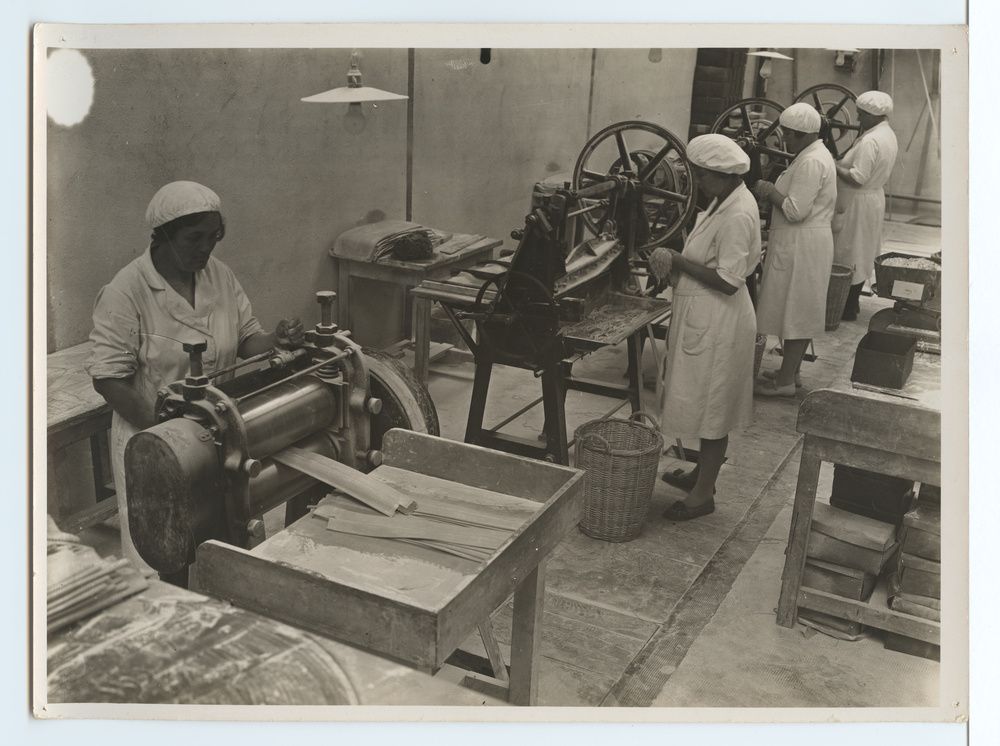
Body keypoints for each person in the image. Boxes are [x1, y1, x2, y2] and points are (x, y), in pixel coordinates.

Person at [86, 181, 304, 573]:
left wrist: (275, 340)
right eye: (194, 238)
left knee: (222, 538)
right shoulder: (126, 291)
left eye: (213, 238)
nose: (205, 248)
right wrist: (167, 435)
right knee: (165, 555)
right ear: (163, 235)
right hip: (152, 439)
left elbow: (246, 337)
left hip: (216, 429)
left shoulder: (218, 276)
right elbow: (108, 379)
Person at [648, 134, 762, 520]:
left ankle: (703, 497)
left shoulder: (738, 213)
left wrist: (677, 260)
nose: (697, 183)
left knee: (713, 409)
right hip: (705, 316)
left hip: (719, 320)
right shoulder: (724, 199)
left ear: (722, 174)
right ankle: (702, 476)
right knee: (703, 403)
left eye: (701, 176)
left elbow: (729, 280)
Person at [752, 103, 837, 396]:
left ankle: (785, 382)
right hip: (800, 242)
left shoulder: (812, 162)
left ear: (802, 134)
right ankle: (791, 373)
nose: (784, 140)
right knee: (793, 309)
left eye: (788, 134)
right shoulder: (811, 155)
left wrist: (767, 190)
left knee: (797, 313)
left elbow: (795, 210)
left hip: (803, 244)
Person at [833, 90, 899, 320]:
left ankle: (845, 306)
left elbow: (858, 177)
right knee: (862, 250)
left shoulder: (871, 140)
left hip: (858, 201)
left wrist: (834, 166)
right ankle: (851, 303)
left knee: (849, 251)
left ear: (873, 115)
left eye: (861, 115)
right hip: (872, 199)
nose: (858, 119)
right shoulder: (887, 134)